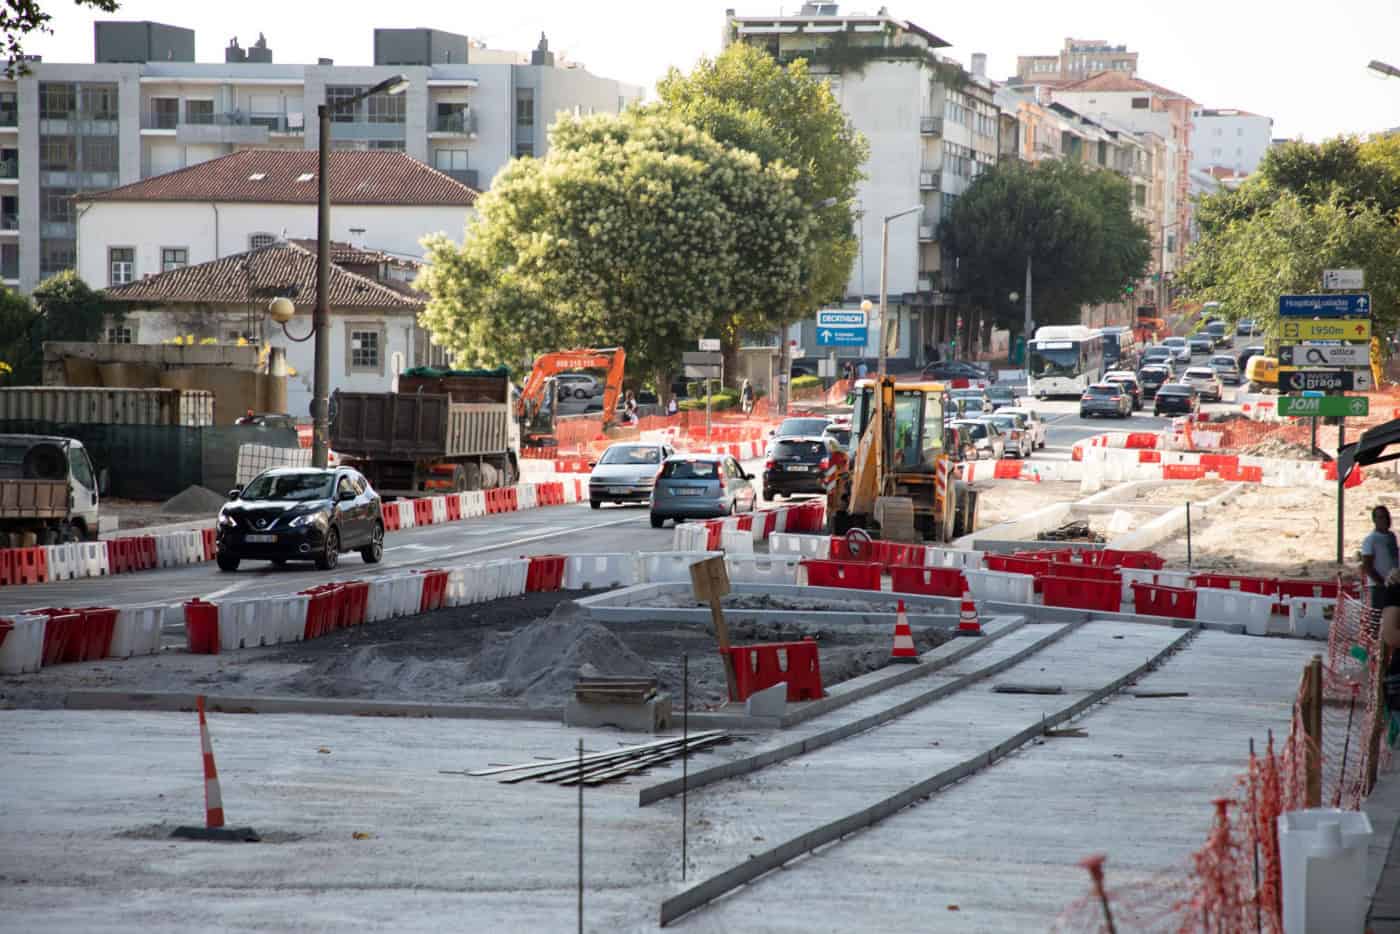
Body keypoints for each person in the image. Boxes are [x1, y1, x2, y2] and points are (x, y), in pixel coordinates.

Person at [1361, 505, 1398, 608]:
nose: (1384, 520)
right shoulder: (1370, 540)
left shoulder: (1392, 537)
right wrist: (1382, 583)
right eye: (1380, 517)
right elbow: (1367, 566)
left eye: (1386, 516)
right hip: (1379, 587)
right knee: (1378, 619)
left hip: (1394, 585)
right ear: (1374, 520)